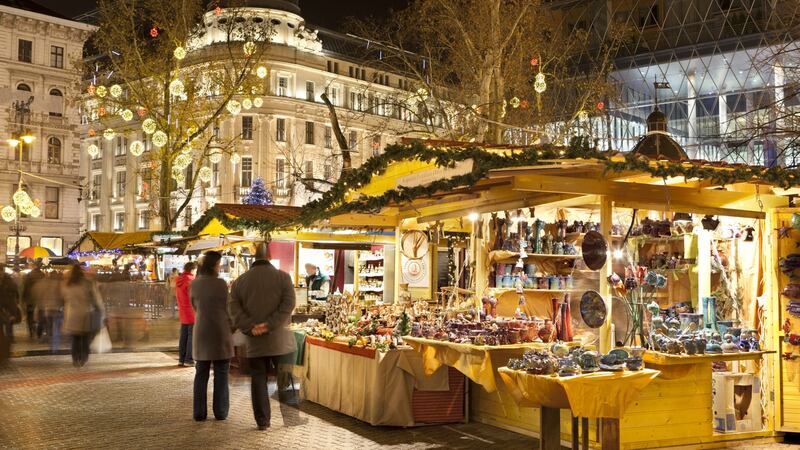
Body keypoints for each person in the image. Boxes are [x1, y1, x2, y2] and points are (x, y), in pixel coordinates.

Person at [229, 242, 296, 430]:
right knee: (285, 378)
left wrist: (251, 327)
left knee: (258, 379)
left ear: (254, 258)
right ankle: (290, 419)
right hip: (280, 339)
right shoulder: (283, 278)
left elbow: (233, 309)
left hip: (255, 341)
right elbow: (288, 304)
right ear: (269, 257)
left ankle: (263, 421)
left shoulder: (240, 281)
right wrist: (270, 324)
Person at [190, 251, 233, 422]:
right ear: (214, 265)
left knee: (201, 373)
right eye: (219, 263)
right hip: (220, 331)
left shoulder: (195, 284)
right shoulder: (221, 284)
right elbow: (228, 308)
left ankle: (199, 413)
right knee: (221, 373)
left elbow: (195, 306)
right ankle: (220, 411)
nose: (220, 266)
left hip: (201, 331)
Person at [62, 264, 104, 367]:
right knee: (85, 339)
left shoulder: (67, 284)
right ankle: (83, 358)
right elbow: (95, 298)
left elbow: (63, 298)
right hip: (85, 313)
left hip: (71, 314)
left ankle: (75, 358)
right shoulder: (87, 283)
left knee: (75, 339)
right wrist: (99, 309)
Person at [32, 271, 64, 353]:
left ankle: (51, 343)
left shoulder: (44, 285)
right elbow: (63, 297)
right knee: (56, 328)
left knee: (49, 327)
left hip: (47, 309)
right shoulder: (60, 284)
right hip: (57, 309)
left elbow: (38, 295)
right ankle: (54, 346)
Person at [176, 262, 196, 366]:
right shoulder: (191, 280)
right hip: (191, 311)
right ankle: (189, 359)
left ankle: (181, 359)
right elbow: (194, 297)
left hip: (183, 311)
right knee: (191, 336)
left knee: (183, 336)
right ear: (192, 269)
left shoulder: (179, 279)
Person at [0, 264, 21, 364]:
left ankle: (3, 355)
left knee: (4, 333)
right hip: (4, 312)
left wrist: (13, 312)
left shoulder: (7, 282)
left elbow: (8, 299)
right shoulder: (7, 281)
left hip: (3, 312)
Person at [21, 261, 45, 339]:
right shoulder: (43, 275)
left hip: (30, 300)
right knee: (41, 316)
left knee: (30, 316)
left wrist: (23, 298)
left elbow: (25, 288)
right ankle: (39, 332)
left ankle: (31, 331)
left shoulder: (29, 275)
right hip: (40, 299)